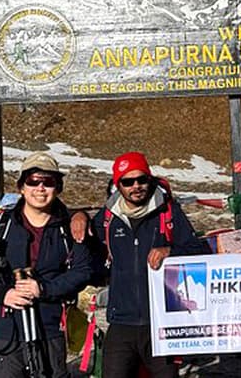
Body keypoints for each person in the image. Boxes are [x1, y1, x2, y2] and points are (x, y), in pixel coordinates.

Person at [0, 152, 95, 378]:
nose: (40, 188)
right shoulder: (0, 224)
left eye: (48, 182)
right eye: (33, 181)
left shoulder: (72, 228)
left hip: (50, 327)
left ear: (58, 188)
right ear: (21, 187)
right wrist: (2, 293)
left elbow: (84, 271)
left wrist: (44, 288)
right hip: (5, 328)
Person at [88, 151, 210, 378]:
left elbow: (200, 251)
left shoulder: (168, 212)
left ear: (150, 179)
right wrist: (79, 218)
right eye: (128, 181)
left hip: (162, 323)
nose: (136, 186)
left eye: (141, 179)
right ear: (118, 185)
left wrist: (170, 251)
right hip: (121, 322)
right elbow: (88, 249)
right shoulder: (108, 218)